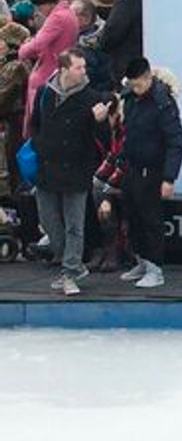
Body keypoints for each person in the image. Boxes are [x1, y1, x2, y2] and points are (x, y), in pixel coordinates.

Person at [28, 48, 99, 294]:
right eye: (78, 67)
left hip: (76, 167)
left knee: (74, 224)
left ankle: (71, 269)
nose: (83, 71)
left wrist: (100, 119)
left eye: (84, 67)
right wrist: (39, 145)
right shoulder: (45, 93)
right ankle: (70, 264)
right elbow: (35, 122)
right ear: (64, 69)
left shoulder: (89, 97)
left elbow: (101, 129)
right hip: (47, 165)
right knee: (48, 219)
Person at [113, 55, 182, 288]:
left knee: (150, 219)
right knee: (132, 216)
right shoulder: (131, 99)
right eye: (131, 85)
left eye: (138, 84)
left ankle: (155, 267)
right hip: (132, 167)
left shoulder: (162, 102)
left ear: (147, 78)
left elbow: (176, 142)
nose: (135, 89)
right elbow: (129, 133)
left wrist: (168, 178)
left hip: (152, 170)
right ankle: (142, 260)